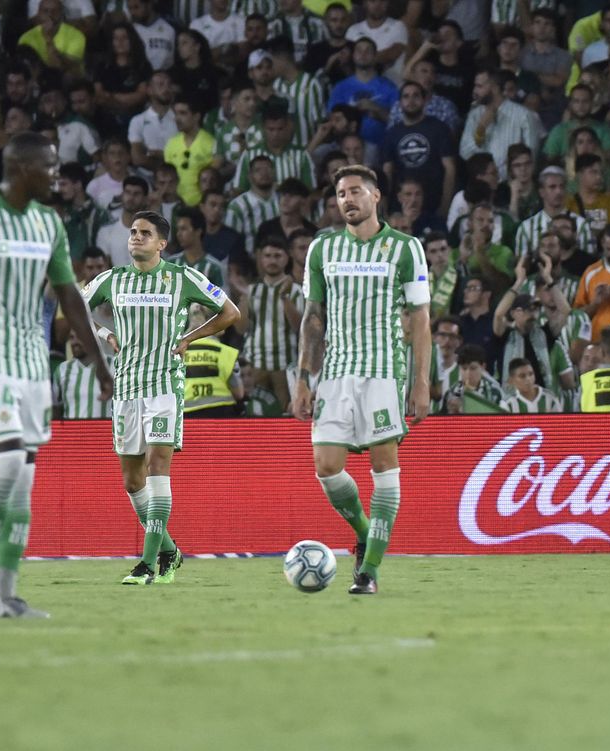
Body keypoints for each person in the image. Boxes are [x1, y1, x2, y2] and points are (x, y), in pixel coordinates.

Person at [0, 132, 114, 618]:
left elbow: (69, 296)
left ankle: (8, 593)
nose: (58, 174)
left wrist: (100, 363)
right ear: (20, 167)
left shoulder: (48, 223)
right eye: (50, 166)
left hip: (32, 363)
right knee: (10, 462)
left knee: (24, 480)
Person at [293, 165, 432, 596]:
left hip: (384, 372)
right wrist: (302, 377)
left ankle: (368, 571)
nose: (347, 200)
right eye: (340, 194)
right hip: (335, 373)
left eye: (355, 191)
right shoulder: (322, 249)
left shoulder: (406, 249)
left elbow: (421, 320)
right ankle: (365, 531)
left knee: (382, 467)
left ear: (375, 197)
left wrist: (422, 381)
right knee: (327, 466)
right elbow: (313, 317)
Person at [85, 210, 240, 585]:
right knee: (131, 480)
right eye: (133, 232)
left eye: (145, 233)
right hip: (126, 388)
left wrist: (189, 337)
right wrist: (107, 337)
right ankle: (169, 549)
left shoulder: (181, 277)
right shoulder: (111, 280)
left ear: (162, 244)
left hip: (164, 387)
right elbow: (75, 308)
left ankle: (147, 563)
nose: (136, 237)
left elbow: (229, 312)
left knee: (157, 467)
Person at [238, 237, 305, 413]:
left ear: (286, 258)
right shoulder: (252, 291)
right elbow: (240, 329)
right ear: (261, 258)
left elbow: (299, 328)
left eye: (277, 256)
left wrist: (285, 298)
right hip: (255, 364)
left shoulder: (297, 291)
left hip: (285, 364)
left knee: (282, 414)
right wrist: (244, 298)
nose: (272, 260)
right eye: (267, 256)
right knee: (254, 413)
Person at [53, 336, 111, 420]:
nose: (74, 342)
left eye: (79, 336)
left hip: (105, 431)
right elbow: (54, 407)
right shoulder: (63, 369)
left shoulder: (113, 365)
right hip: (71, 432)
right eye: (72, 337)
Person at [500, 356, 564, 413]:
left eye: (531, 374)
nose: (528, 379)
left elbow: (560, 424)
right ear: (512, 380)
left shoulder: (550, 398)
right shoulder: (507, 404)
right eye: (522, 376)